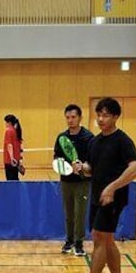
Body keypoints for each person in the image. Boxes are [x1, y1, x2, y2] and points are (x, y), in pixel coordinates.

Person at [72, 98, 136, 273]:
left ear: (115, 117)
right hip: (96, 196)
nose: (101, 119)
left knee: (100, 238)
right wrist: (82, 168)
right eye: (99, 115)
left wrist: (113, 187)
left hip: (113, 198)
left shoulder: (122, 140)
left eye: (106, 115)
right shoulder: (95, 141)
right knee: (106, 239)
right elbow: (92, 168)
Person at [54, 104, 94, 257]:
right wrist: (67, 165)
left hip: (82, 182)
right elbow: (56, 158)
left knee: (80, 213)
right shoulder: (62, 138)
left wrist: (83, 166)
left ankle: (79, 243)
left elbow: (93, 160)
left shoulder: (89, 137)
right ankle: (69, 241)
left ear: (80, 118)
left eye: (73, 117)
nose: (70, 120)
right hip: (66, 181)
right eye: (68, 118)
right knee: (68, 213)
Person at [3, 114, 24, 180]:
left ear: (9, 122)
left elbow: (9, 145)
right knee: (15, 178)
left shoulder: (8, 131)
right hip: (16, 159)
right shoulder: (17, 131)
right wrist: (20, 159)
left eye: (6, 122)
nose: (5, 124)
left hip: (9, 160)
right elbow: (20, 147)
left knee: (10, 179)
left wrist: (11, 158)